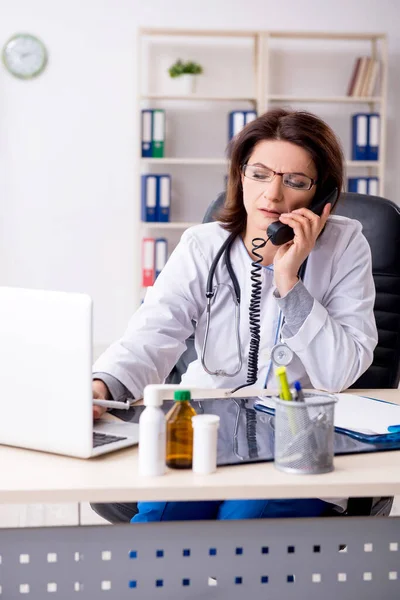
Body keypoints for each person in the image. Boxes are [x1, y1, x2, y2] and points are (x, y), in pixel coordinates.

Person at [92, 108, 378, 523]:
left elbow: (340, 370)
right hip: (205, 432)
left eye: (294, 182)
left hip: (300, 437)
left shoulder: (346, 245)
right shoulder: (203, 245)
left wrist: (288, 279)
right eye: (259, 174)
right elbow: (151, 335)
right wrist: (101, 388)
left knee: (247, 518)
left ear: (322, 197)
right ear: (239, 175)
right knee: (162, 519)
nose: (272, 196)